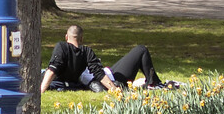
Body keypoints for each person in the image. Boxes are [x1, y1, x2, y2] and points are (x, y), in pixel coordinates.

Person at [40, 24, 168, 91]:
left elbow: (53, 68)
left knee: (139, 51)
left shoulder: (62, 49)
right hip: (112, 79)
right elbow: (99, 72)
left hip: (105, 78)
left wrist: (41, 89)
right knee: (141, 50)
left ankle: (151, 83)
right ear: (82, 39)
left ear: (66, 37)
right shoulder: (86, 51)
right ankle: (154, 83)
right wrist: (114, 89)